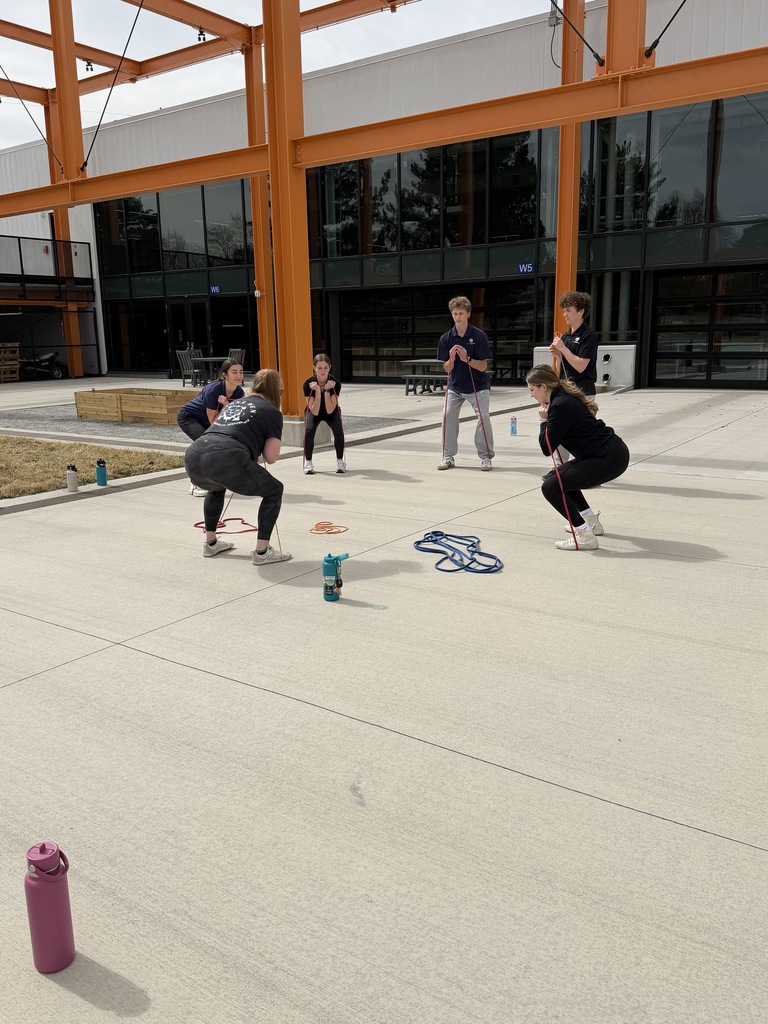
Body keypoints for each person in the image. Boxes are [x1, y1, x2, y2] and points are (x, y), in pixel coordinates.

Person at [184, 368, 292, 564]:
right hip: (226, 456)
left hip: (194, 455)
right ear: (277, 392)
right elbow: (271, 457)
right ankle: (262, 552)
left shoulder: (235, 404)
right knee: (274, 490)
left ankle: (210, 543)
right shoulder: (272, 412)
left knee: (216, 486)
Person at [525, 364, 630, 551]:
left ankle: (584, 535)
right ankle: (590, 521)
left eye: (532, 390)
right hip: (607, 454)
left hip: (609, 458)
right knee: (556, 478)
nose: (531, 395)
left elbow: (546, 447)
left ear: (543, 387)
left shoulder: (559, 406)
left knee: (550, 487)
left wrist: (543, 421)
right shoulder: (560, 400)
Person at [436, 295, 494, 471]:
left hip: (478, 386)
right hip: (455, 386)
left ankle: (485, 457)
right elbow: (446, 369)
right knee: (447, 416)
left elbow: (483, 366)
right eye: (455, 313)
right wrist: (452, 359)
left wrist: (467, 359)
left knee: (483, 417)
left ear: (468, 314)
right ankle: (448, 456)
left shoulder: (478, 336)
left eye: (461, 313)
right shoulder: (446, 338)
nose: (458, 317)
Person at [177, 358, 245, 495]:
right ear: (224, 375)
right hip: (189, 417)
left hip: (207, 420)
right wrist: (227, 407)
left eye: (241, 372)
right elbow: (214, 422)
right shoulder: (212, 391)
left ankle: (218, 479)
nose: (238, 375)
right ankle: (195, 483)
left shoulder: (239, 393)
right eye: (234, 372)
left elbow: (235, 417)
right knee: (205, 447)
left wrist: (227, 406)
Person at [302, 352, 346, 474]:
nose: (323, 371)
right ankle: (308, 462)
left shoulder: (335, 383)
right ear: (314, 368)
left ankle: (340, 460)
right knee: (309, 430)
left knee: (338, 431)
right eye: (319, 368)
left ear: (330, 368)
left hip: (331, 411)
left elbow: (330, 409)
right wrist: (316, 390)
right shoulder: (308, 384)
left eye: (326, 368)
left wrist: (326, 389)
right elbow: (314, 411)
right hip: (313, 410)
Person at [549, 290, 599, 396]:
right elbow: (561, 370)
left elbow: (581, 367)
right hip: (566, 390)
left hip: (583, 392)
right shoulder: (565, 337)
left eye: (568, 310)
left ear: (581, 311)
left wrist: (563, 349)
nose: (564, 314)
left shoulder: (589, 335)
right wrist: (558, 356)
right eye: (564, 311)